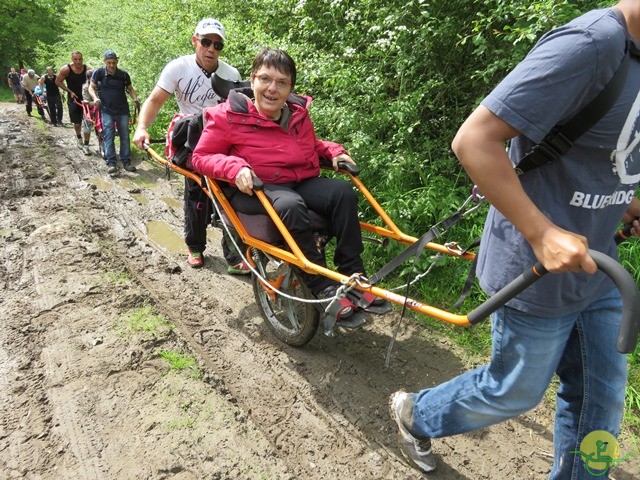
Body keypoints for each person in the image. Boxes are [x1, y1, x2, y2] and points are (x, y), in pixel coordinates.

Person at [389, 2, 640, 478]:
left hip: (600, 269)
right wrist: (542, 231)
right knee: (514, 390)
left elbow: (599, 154)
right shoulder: (592, 44)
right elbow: (474, 139)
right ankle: (414, 414)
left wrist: (622, 202)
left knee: (602, 399)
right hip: (537, 268)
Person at [192, 48, 375, 322]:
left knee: (342, 192)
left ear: (290, 88)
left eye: (281, 83)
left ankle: (353, 272)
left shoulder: (298, 114)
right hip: (256, 187)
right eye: (265, 79)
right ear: (252, 80)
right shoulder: (228, 115)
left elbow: (312, 147)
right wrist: (235, 167)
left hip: (300, 180)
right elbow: (201, 157)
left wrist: (334, 152)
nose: (272, 89)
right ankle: (320, 283)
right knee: (291, 205)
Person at [132, 18, 248, 273]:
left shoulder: (231, 75)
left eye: (217, 45)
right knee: (197, 194)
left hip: (223, 141)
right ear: (195, 41)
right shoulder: (178, 68)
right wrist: (142, 128)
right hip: (191, 138)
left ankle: (235, 256)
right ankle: (195, 247)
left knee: (234, 196)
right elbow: (155, 100)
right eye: (206, 42)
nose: (211, 49)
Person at [89, 50, 139, 175]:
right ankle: (111, 162)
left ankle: (126, 161)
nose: (111, 65)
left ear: (117, 61)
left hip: (122, 110)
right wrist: (95, 98)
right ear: (104, 62)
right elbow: (91, 87)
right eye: (109, 62)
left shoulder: (123, 75)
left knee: (124, 135)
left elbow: (130, 89)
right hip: (106, 110)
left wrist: (135, 99)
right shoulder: (99, 73)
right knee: (108, 134)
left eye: (114, 62)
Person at [56, 51, 91, 148]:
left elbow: (93, 82)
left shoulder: (87, 69)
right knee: (77, 123)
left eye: (80, 59)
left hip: (86, 98)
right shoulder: (66, 69)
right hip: (73, 98)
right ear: (72, 59)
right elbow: (58, 81)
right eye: (75, 59)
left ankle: (87, 144)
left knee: (87, 122)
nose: (78, 61)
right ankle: (79, 138)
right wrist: (69, 91)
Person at [81, 69, 98, 156]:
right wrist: (96, 102)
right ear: (88, 78)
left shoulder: (100, 85)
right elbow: (86, 100)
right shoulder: (85, 87)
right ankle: (86, 146)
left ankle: (102, 146)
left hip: (100, 109)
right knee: (87, 126)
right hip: (89, 110)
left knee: (100, 128)